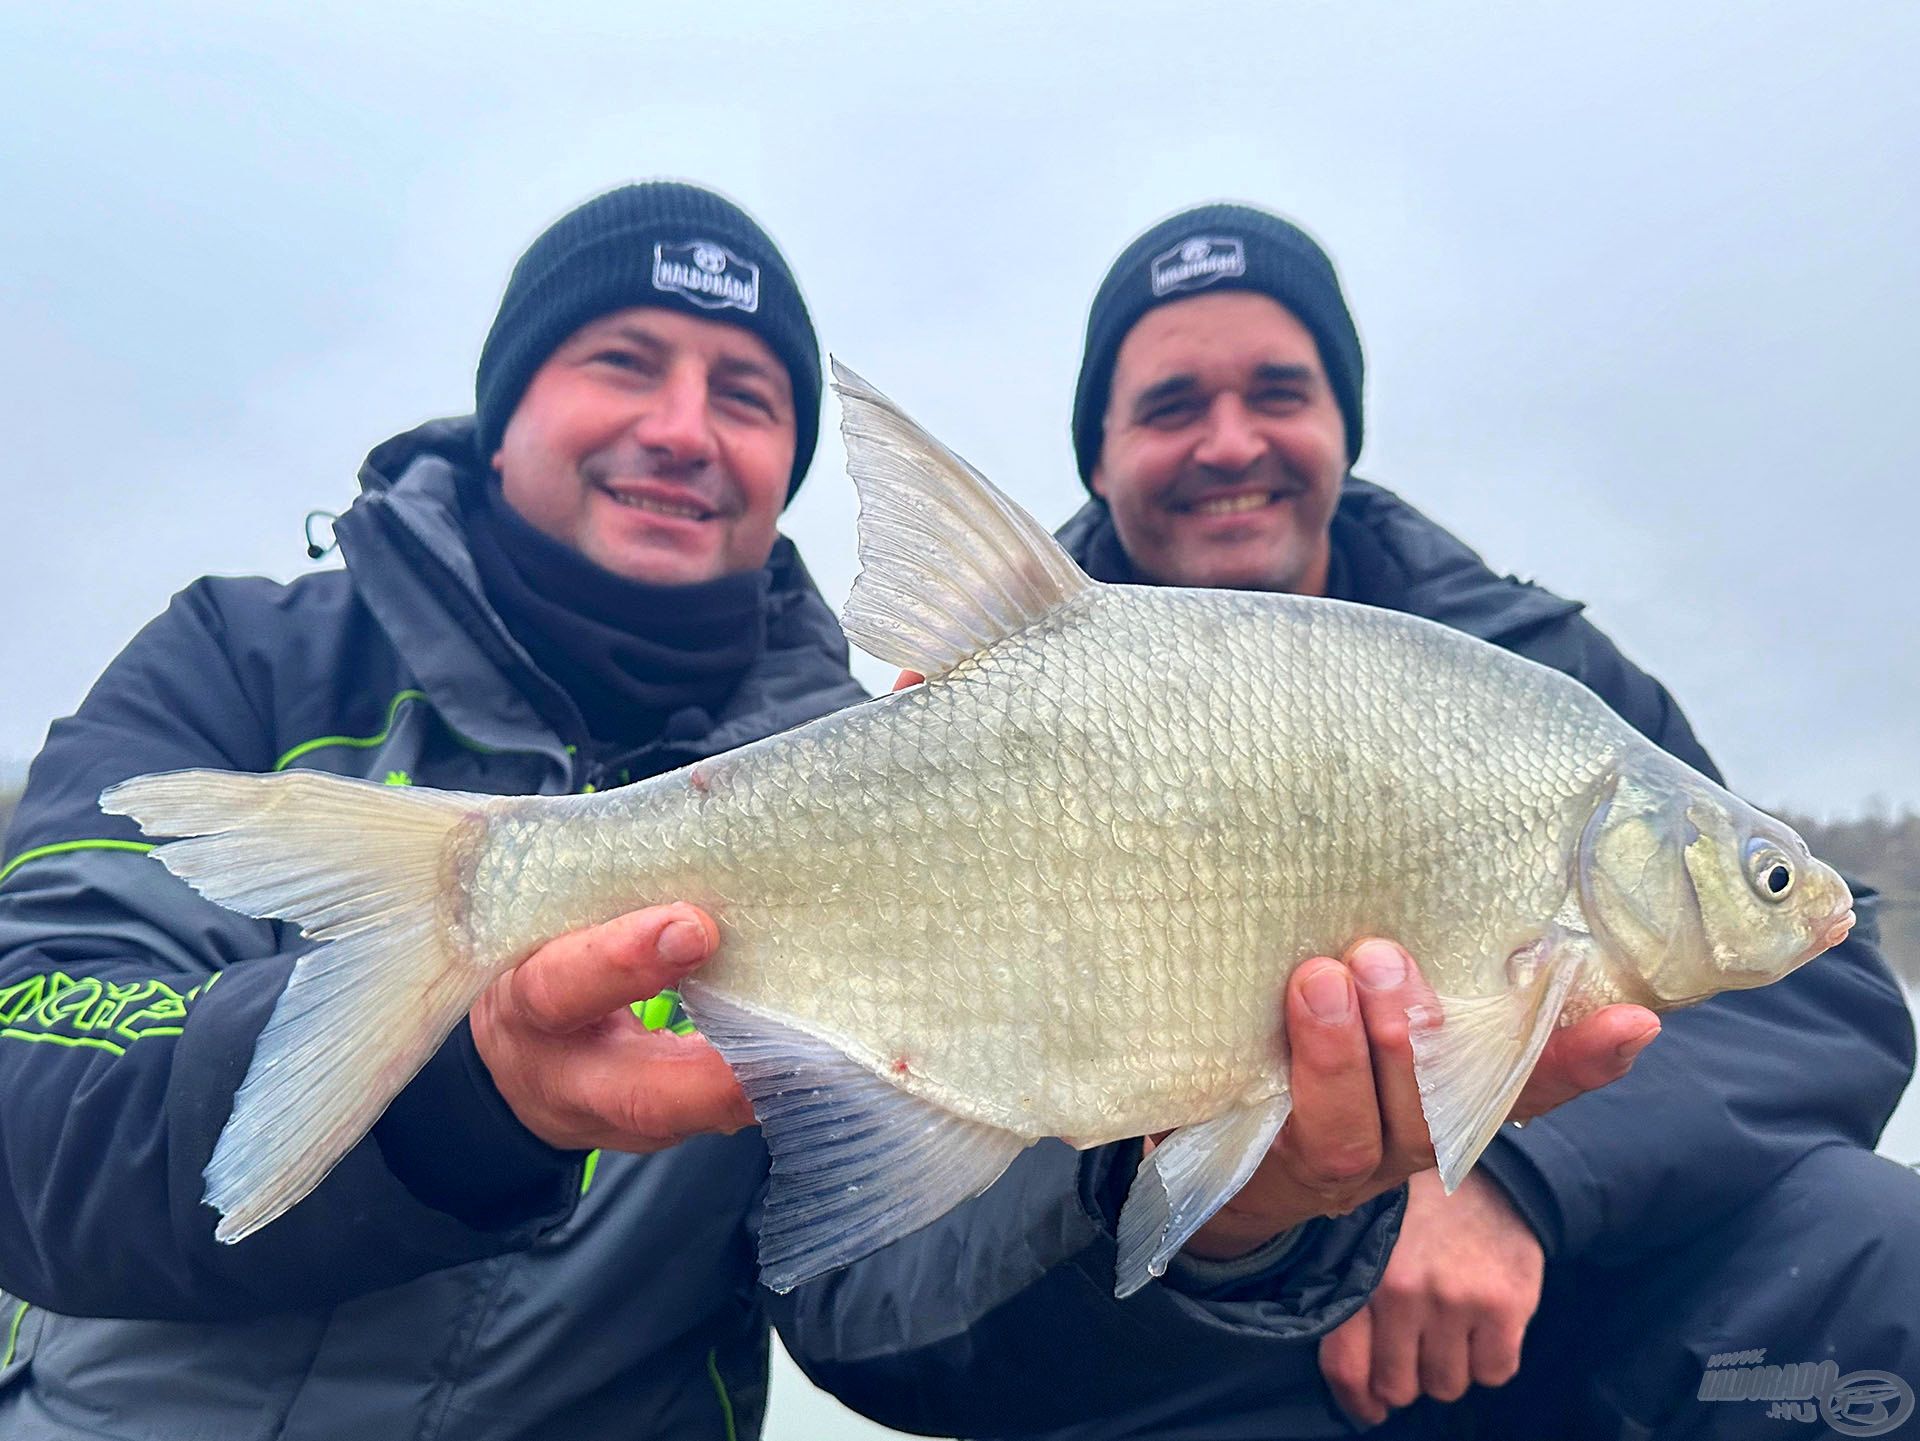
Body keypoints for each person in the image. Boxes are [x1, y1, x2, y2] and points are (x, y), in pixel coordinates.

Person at [0, 181, 1632, 1441]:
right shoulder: (242, 659)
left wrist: (1246, 1215)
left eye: (747, 392)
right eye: (622, 362)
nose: (679, 426)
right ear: (506, 406)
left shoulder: (897, 762)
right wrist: (458, 1096)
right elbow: (24, 1089)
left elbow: (882, 1307)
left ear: (792, 464)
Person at [1051, 201, 1919, 1438]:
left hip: (1532, 1317)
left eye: (1280, 391)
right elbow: (873, 1303)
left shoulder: (1536, 679)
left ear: (1343, 425)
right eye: (1173, 404)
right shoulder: (984, 710)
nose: (1230, 441)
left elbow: (1825, 1001)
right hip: (1170, 1346)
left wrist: (1507, 1171)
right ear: (1099, 452)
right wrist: (1266, 1225)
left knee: (1871, 1243)